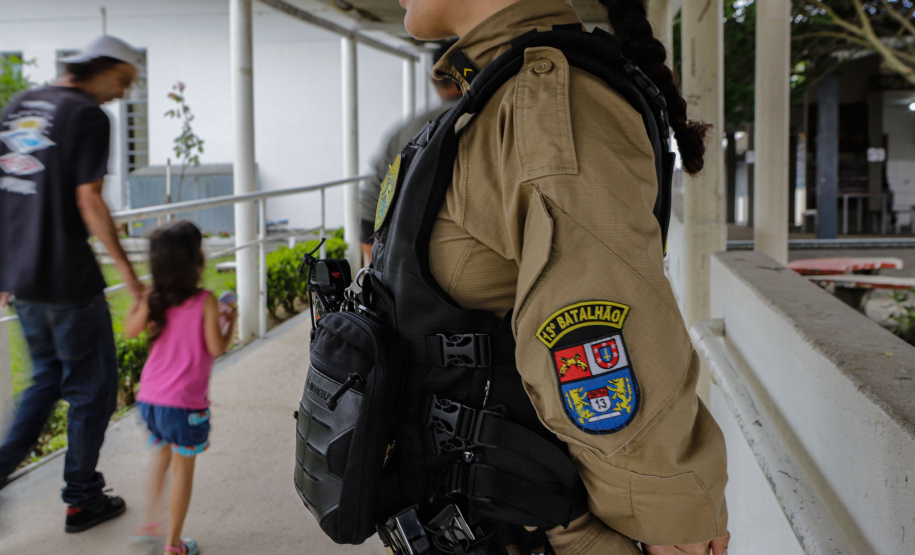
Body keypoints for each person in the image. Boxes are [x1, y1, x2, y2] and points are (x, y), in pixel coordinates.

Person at [367, 0, 731, 553]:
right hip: (482, 511)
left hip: (546, 526)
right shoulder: (498, 94)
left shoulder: (546, 107)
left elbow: (606, 335)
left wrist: (666, 523)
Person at [0, 35, 144, 533]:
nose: (123, 95)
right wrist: (132, 279)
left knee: (44, 381)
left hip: (23, 280)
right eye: (123, 82)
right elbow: (90, 201)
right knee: (92, 392)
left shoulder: (21, 104)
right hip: (67, 280)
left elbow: (7, 189)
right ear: (99, 69)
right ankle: (83, 498)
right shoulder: (86, 115)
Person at [124, 220, 236, 555]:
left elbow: (130, 330)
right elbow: (216, 348)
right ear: (196, 263)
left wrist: (141, 298)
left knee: (161, 453)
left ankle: (149, 523)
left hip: (150, 403)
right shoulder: (206, 301)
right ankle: (173, 545)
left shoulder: (154, 298)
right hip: (184, 406)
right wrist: (230, 318)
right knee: (183, 471)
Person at [359, 40, 463, 265]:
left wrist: (374, 266)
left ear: (432, 79)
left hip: (409, 260)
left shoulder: (407, 129)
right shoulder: (495, 120)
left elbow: (371, 200)